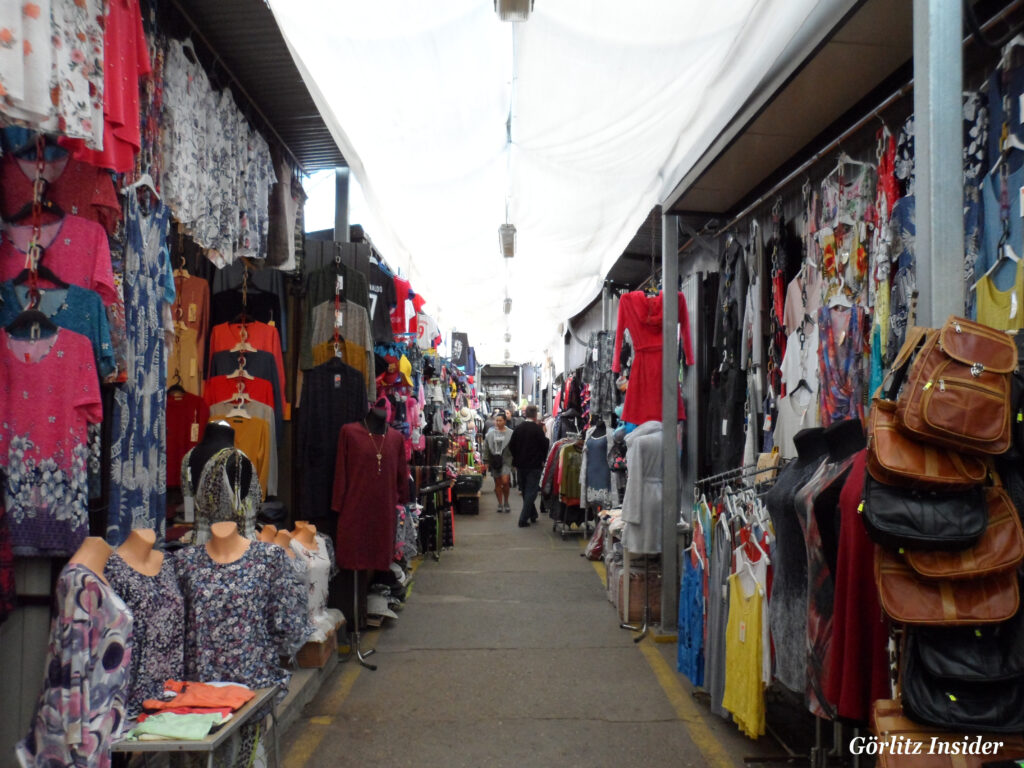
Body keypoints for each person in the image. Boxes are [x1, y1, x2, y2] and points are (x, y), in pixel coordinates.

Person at [509, 404, 550, 528]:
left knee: (526, 490)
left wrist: (516, 458)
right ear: (536, 415)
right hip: (534, 465)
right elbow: (545, 445)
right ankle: (523, 519)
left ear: (525, 414)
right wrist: (542, 459)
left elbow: (511, 446)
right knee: (531, 492)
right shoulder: (538, 430)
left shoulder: (518, 428)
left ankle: (533, 514)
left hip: (520, 465)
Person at [483, 410, 514, 513]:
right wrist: (486, 461)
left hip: (506, 460)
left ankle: (506, 501)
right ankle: (500, 503)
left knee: (505, 481)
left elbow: (515, 448)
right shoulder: (490, 434)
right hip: (495, 461)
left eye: (500, 420)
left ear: (505, 421)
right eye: (496, 420)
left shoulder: (511, 433)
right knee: (497, 483)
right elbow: (486, 447)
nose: (498, 422)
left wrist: (515, 461)